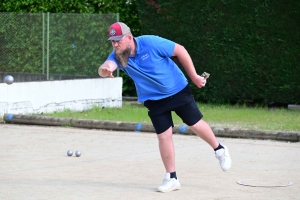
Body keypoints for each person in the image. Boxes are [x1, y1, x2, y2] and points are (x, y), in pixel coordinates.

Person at [98, 22, 232, 193]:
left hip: (176, 90)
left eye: (119, 40)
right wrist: (104, 70)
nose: (116, 44)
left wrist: (195, 77)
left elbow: (180, 50)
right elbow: (107, 66)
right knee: (164, 136)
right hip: (153, 99)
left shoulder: (151, 43)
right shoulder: (117, 56)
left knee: (195, 124)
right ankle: (172, 177)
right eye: (113, 41)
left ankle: (219, 149)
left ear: (129, 37)